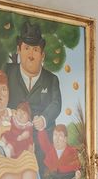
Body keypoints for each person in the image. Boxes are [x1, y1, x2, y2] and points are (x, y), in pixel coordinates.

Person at [5, 22, 61, 167]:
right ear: (18, 50)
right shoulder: (7, 71)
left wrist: (44, 119)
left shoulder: (52, 79)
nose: (30, 55)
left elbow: (56, 104)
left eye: (35, 50)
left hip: (41, 144)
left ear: (42, 55)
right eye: (26, 48)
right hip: (12, 140)